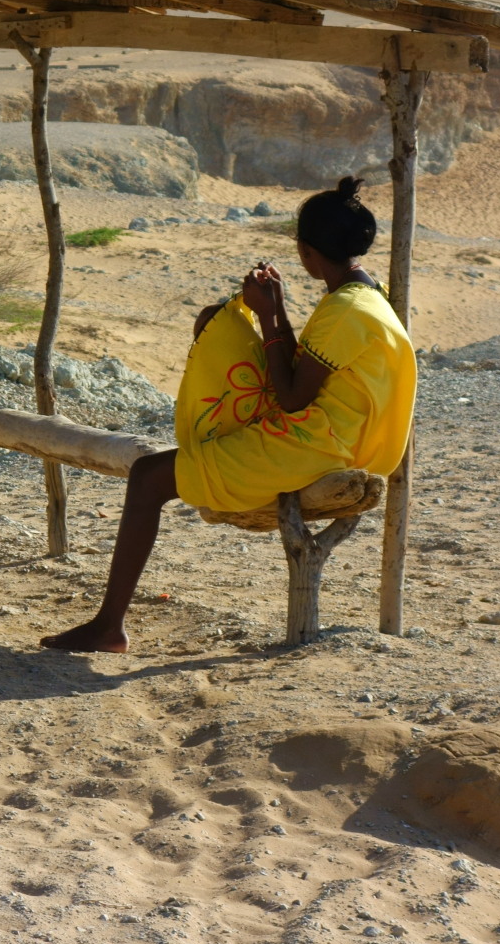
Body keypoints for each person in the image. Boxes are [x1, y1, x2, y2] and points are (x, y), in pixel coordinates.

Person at [41, 177, 417, 654]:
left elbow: (292, 399)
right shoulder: (368, 296)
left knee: (148, 477)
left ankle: (108, 627)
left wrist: (269, 316)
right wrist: (275, 310)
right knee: (212, 323)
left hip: (320, 449)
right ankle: (108, 624)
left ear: (305, 251)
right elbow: (306, 374)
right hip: (342, 442)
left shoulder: (344, 311)